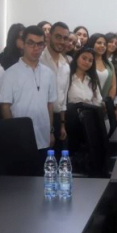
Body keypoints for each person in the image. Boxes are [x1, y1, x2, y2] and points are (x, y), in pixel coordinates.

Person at [0, 26, 58, 165]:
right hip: (20, 137)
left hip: (43, 136)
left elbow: (49, 105)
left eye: (40, 44)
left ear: (44, 45)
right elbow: (5, 107)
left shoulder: (49, 73)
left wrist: (50, 131)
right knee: (23, 175)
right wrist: (12, 133)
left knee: (42, 174)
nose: (35, 48)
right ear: (23, 44)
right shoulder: (10, 74)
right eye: (31, 43)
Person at [40, 22, 71, 150]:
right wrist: (49, 129)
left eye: (65, 38)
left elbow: (63, 98)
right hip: (41, 119)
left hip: (58, 120)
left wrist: (62, 124)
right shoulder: (39, 61)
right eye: (58, 37)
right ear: (49, 36)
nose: (62, 41)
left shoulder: (66, 65)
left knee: (58, 157)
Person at [87, 33, 117, 100]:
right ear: (92, 44)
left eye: (104, 44)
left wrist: (108, 102)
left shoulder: (109, 64)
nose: (102, 46)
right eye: (99, 43)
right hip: (88, 101)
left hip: (105, 102)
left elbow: (113, 86)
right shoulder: (86, 62)